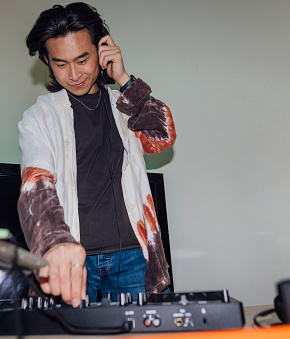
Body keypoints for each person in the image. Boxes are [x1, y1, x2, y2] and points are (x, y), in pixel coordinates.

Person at [18, 2, 176, 308]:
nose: (74, 74)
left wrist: (125, 80)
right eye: (61, 64)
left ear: (102, 50)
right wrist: (55, 244)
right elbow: (36, 188)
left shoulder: (124, 104)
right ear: (47, 62)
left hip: (134, 255)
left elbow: (162, 137)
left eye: (83, 59)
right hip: (72, 256)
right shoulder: (39, 117)